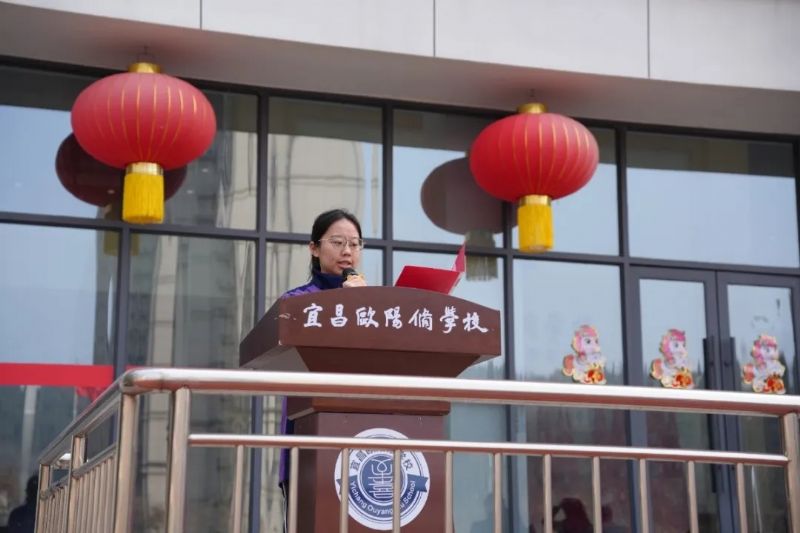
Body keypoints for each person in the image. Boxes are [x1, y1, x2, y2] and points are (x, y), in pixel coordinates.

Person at [277, 208, 367, 530]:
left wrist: (365, 304)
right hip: (310, 433)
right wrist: (348, 305)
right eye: (338, 242)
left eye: (354, 244)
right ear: (314, 248)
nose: (347, 251)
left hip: (365, 436)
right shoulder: (296, 301)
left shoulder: (374, 305)